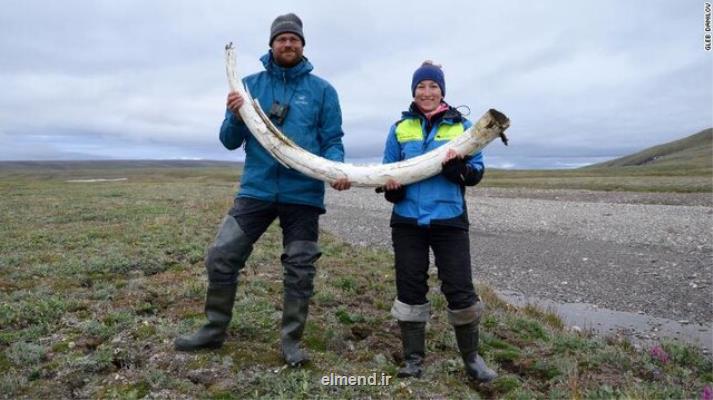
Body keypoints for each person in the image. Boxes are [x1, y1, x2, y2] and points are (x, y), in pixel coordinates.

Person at [174, 13, 350, 367]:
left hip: (303, 194)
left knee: (301, 267)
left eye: (294, 39)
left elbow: (332, 141)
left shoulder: (323, 90)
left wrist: (337, 169)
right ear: (271, 44)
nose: (288, 44)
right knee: (221, 256)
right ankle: (213, 329)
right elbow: (228, 141)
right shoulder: (248, 84)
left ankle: (290, 342)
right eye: (281, 39)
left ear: (302, 45)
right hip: (256, 190)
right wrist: (234, 116)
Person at [380, 61, 497, 382]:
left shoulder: (465, 128)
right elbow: (387, 170)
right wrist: (392, 190)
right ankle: (413, 360)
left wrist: (457, 169)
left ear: (442, 91)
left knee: (460, 289)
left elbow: (476, 173)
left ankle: (472, 360)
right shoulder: (399, 128)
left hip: (449, 220)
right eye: (421, 87)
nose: (426, 92)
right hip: (406, 220)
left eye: (433, 86)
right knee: (410, 288)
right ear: (413, 91)